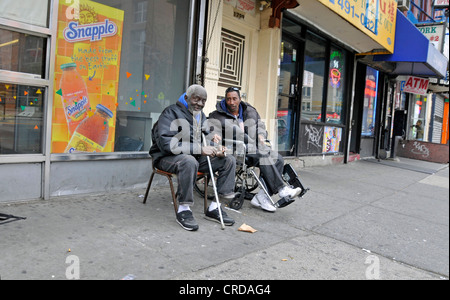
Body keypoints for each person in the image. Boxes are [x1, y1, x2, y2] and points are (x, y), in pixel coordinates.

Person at [149, 85, 236, 231]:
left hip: (193, 157)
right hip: (166, 157)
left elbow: (203, 139)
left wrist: (215, 149)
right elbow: (166, 144)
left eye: (204, 101)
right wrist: (201, 149)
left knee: (229, 160)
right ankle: (184, 209)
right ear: (186, 97)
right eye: (196, 99)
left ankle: (215, 207)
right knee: (188, 161)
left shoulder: (200, 115)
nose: (200, 104)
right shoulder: (170, 113)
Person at [208, 87, 302, 212]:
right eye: (228, 99)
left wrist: (261, 135)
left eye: (234, 99)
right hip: (234, 149)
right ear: (225, 100)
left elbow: (260, 126)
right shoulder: (217, 116)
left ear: (240, 99)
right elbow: (214, 133)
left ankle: (261, 197)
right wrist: (217, 140)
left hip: (253, 147)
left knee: (278, 159)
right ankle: (281, 189)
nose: (231, 102)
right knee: (263, 155)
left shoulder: (250, 111)